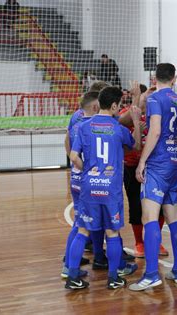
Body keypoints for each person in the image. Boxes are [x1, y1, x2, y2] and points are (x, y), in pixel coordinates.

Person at [67, 87, 141, 290]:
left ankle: (72, 276)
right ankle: (113, 277)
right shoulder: (119, 129)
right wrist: (135, 121)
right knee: (112, 232)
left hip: (89, 186)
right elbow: (136, 146)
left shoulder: (83, 126)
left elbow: (73, 156)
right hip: (111, 190)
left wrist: (89, 171)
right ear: (115, 106)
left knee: (82, 231)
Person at [129, 63, 177, 291]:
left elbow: (154, 131)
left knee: (150, 219)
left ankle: (152, 274)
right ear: (175, 77)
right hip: (175, 163)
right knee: (173, 217)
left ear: (154, 78)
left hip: (158, 164)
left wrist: (142, 161)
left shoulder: (155, 99)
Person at [120, 83, 169, 258]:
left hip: (155, 167)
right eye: (145, 94)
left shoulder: (158, 114)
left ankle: (156, 241)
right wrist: (136, 109)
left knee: (160, 207)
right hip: (132, 166)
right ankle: (139, 242)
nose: (148, 96)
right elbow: (133, 144)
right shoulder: (126, 114)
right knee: (136, 207)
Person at [61, 92, 100, 279]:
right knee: (81, 225)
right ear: (94, 106)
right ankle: (69, 268)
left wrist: (74, 164)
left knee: (78, 222)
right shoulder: (93, 125)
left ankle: (69, 263)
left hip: (75, 175)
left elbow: (67, 141)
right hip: (85, 179)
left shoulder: (76, 117)